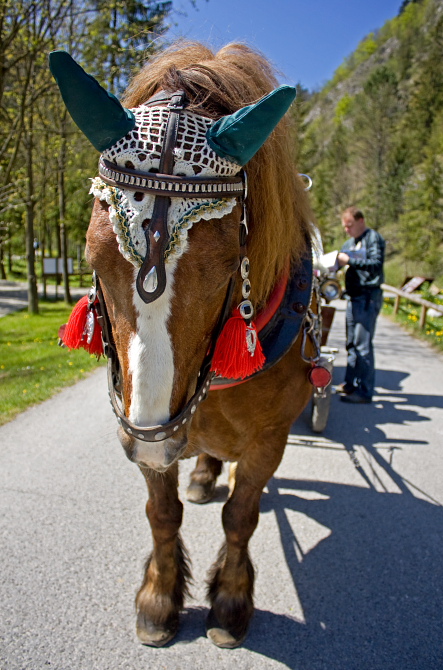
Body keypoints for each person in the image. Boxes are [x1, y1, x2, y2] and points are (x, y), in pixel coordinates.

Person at [336, 207, 385, 404]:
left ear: (361, 221)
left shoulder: (372, 238)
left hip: (367, 296)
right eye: (345, 227)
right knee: (351, 344)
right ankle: (351, 383)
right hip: (353, 297)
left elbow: (375, 263)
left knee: (363, 345)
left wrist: (350, 261)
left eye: (350, 226)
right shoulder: (350, 242)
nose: (347, 230)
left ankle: (364, 391)